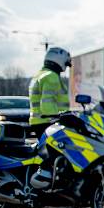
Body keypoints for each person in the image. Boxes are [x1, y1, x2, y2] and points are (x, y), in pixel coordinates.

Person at [28, 46, 71, 189]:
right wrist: (59, 116)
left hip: (39, 120)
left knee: (50, 152)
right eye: (66, 63)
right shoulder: (51, 77)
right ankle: (44, 179)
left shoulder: (40, 74)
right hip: (47, 121)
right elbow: (47, 103)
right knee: (57, 151)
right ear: (58, 60)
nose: (66, 66)